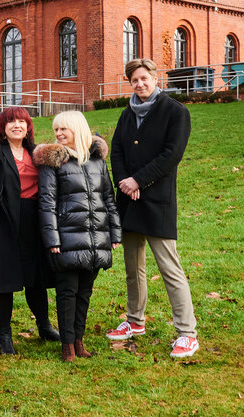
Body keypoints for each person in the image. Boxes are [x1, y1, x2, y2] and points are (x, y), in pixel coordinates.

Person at [106, 58, 199, 358]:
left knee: (169, 268)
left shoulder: (175, 112)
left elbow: (172, 155)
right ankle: (135, 321)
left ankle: (187, 332)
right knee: (133, 268)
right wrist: (123, 181)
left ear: (155, 79)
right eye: (134, 80)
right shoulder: (126, 114)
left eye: (144, 78)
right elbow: (116, 149)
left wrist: (138, 181)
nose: (140, 84)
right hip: (128, 201)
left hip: (157, 202)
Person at [0, 106, 61, 355]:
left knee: (36, 277)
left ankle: (44, 325)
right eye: (11, 121)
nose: (17, 125)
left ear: (28, 127)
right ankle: (4, 336)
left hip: (33, 220)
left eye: (22, 121)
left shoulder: (37, 152)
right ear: (3, 126)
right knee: (2, 280)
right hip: (1, 220)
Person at [32, 112, 122, 361]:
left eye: (64, 129)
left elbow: (109, 199)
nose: (59, 134)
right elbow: (47, 204)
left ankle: (79, 340)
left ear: (78, 129)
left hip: (96, 238)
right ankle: (67, 344)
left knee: (85, 292)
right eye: (56, 129)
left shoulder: (98, 162)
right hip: (67, 238)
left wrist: (115, 233)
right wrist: (53, 240)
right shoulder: (53, 163)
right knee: (67, 292)